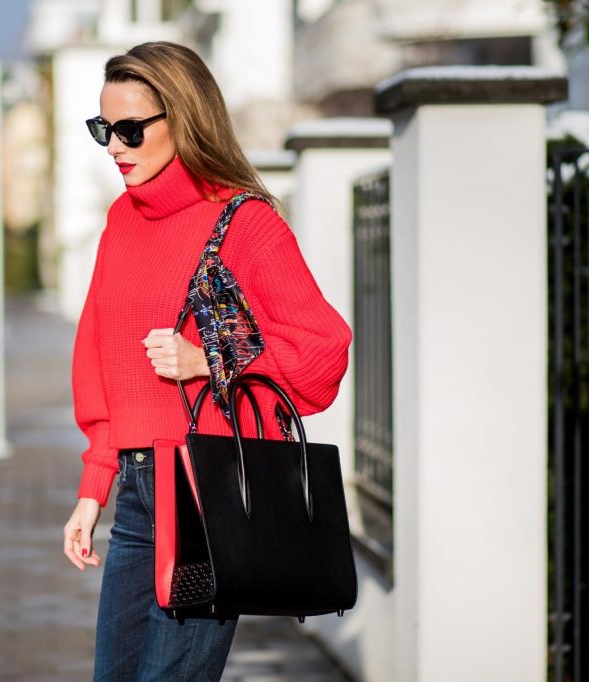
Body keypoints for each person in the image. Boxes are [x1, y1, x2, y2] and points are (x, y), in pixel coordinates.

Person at [62, 41, 352, 681]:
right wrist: (94, 487)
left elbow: (323, 346)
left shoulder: (244, 223)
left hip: (204, 494)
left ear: (183, 120)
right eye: (104, 129)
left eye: (131, 130)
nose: (115, 146)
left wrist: (206, 359)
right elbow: (99, 357)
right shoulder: (120, 219)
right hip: (139, 493)